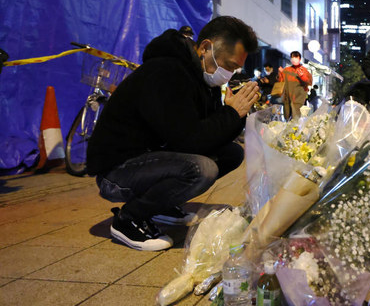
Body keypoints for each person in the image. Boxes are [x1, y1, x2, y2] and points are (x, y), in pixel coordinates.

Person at [87, 16, 260, 251]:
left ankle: (162, 205)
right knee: (202, 169)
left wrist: (235, 115)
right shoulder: (166, 72)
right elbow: (190, 140)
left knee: (231, 153)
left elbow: (210, 134)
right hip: (117, 172)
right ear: (205, 48)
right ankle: (129, 220)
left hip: (151, 157)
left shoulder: (202, 80)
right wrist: (231, 114)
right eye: (228, 66)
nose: (229, 74)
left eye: (235, 69)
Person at [279, 51, 312, 120]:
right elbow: (281, 82)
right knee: (287, 114)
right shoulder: (286, 70)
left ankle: (296, 129)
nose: (294, 59)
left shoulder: (303, 70)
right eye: (292, 57)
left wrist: (302, 76)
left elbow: (309, 82)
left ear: (299, 59)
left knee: (296, 116)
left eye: (296, 57)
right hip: (287, 97)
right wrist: (280, 74)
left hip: (298, 97)